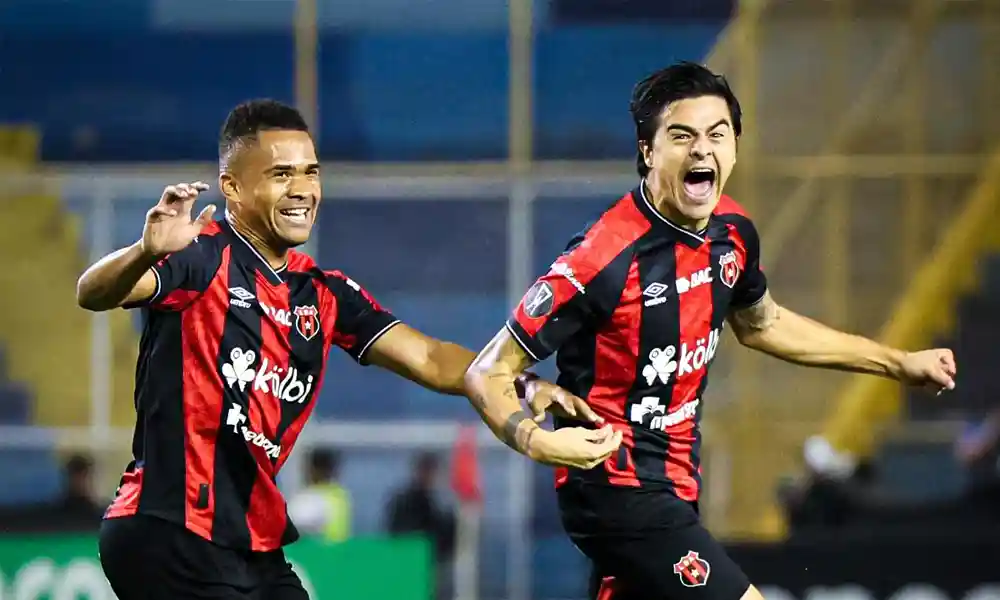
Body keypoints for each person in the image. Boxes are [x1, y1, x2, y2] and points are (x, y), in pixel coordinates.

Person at [76, 99, 617, 600]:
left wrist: (514, 378)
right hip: (168, 529)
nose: (302, 189)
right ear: (233, 189)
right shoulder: (200, 258)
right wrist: (144, 251)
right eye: (280, 173)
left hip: (252, 548)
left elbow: (429, 358)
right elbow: (95, 291)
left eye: (311, 171)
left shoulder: (325, 293)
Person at [464, 62, 958, 600]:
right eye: (682, 136)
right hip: (615, 486)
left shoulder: (733, 232)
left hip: (676, 482)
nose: (702, 150)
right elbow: (488, 371)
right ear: (648, 152)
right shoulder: (600, 259)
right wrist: (541, 443)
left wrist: (897, 362)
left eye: (717, 135)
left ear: (735, 149)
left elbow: (765, 324)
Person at [285, 449, 351, 542]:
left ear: (313, 469)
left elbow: (290, 522)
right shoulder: (340, 495)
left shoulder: (313, 497)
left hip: (319, 552)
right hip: (339, 552)